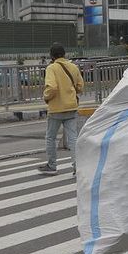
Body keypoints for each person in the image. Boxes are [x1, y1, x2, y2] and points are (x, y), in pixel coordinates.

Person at [38, 43, 84, 176]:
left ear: (51, 56)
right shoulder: (73, 67)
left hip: (56, 109)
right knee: (73, 138)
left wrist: (46, 97)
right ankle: (77, 167)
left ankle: (52, 166)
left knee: (51, 137)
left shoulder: (51, 68)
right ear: (64, 54)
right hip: (71, 106)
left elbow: (52, 87)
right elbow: (80, 86)